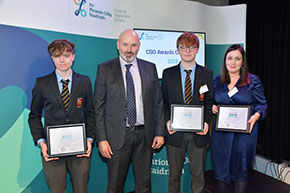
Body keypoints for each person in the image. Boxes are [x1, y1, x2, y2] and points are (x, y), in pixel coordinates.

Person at [94, 29, 165, 193]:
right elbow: (98, 107)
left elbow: (158, 103)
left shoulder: (150, 68)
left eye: (133, 45)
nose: (129, 49)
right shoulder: (105, 69)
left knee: (144, 185)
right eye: (125, 44)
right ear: (118, 45)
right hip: (117, 138)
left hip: (144, 136)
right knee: (115, 186)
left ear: (139, 46)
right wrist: (102, 139)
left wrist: (160, 132)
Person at [28, 39, 95, 193]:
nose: (62, 60)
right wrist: (42, 143)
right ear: (52, 58)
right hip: (53, 151)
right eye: (57, 56)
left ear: (73, 57)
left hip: (80, 151)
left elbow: (90, 113)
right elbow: (34, 116)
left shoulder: (84, 82)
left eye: (66, 55)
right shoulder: (42, 83)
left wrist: (89, 140)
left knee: (81, 190)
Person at [161, 32, 214, 193]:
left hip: (198, 134)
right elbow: (163, 101)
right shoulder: (168, 73)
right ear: (177, 50)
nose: (188, 51)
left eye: (192, 47)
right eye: (183, 47)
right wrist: (168, 121)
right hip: (175, 132)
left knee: (198, 176)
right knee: (174, 176)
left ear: (197, 49)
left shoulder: (207, 73)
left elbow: (209, 101)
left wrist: (206, 122)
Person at [211, 44, 267, 193]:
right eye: (230, 58)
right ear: (225, 61)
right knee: (221, 171)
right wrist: (213, 108)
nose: (233, 62)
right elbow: (212, 101)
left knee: (240, 172)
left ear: (243, 62)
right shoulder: (217, 81)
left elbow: (261, 104)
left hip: (243, 135)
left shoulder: (252, 81)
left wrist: (256, 115)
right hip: (221, 135)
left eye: (237, 59)